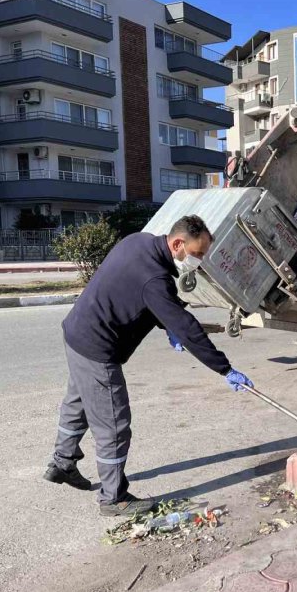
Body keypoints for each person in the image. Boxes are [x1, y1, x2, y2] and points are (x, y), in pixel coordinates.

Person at [43, 215, 253, 516]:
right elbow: (187, 327)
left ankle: (62, 462)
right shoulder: (156, 280)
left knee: (77, 404)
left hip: (76, 332)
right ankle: (113, 499)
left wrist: (167, 323)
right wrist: (224, 368)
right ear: (178, 244)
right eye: (197, 254)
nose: (200, 260)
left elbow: (138, 294)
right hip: (98, 348)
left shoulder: (137, 241)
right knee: (114, 425)